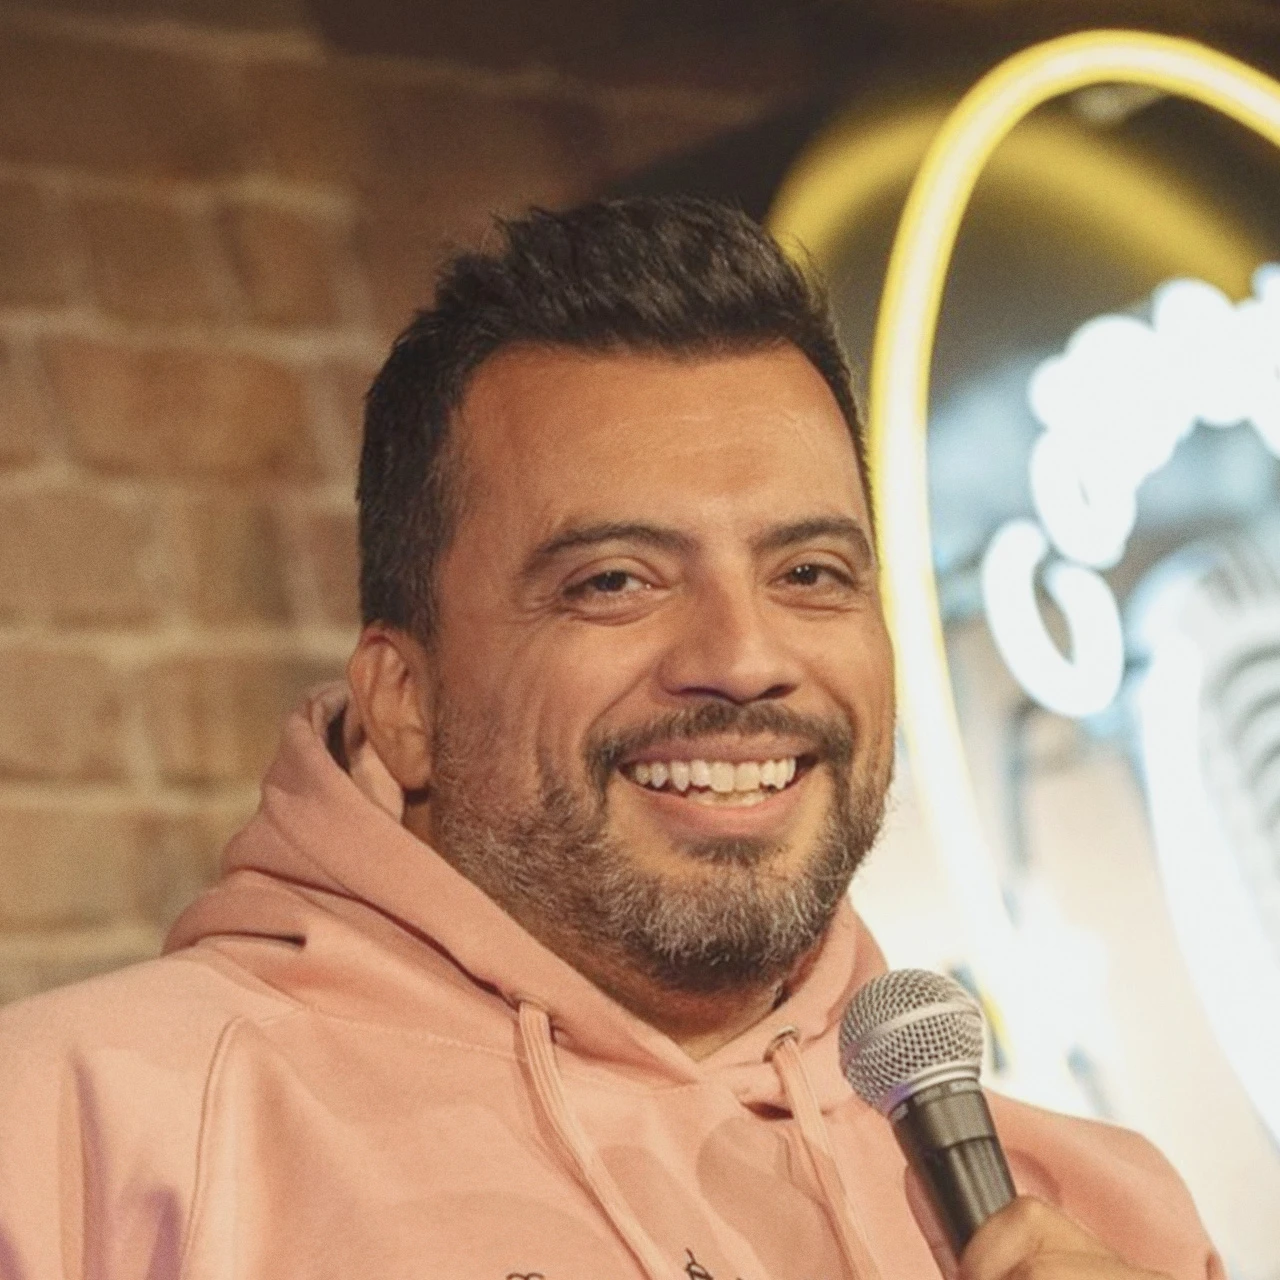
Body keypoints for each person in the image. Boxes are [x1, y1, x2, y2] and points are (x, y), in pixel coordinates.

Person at [0, 196, 1219, 1280]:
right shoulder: (77, 1135)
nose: (742, 655)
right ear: (403, 699)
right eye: (614, 581)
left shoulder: (1106, 1214)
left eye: (808, 571)